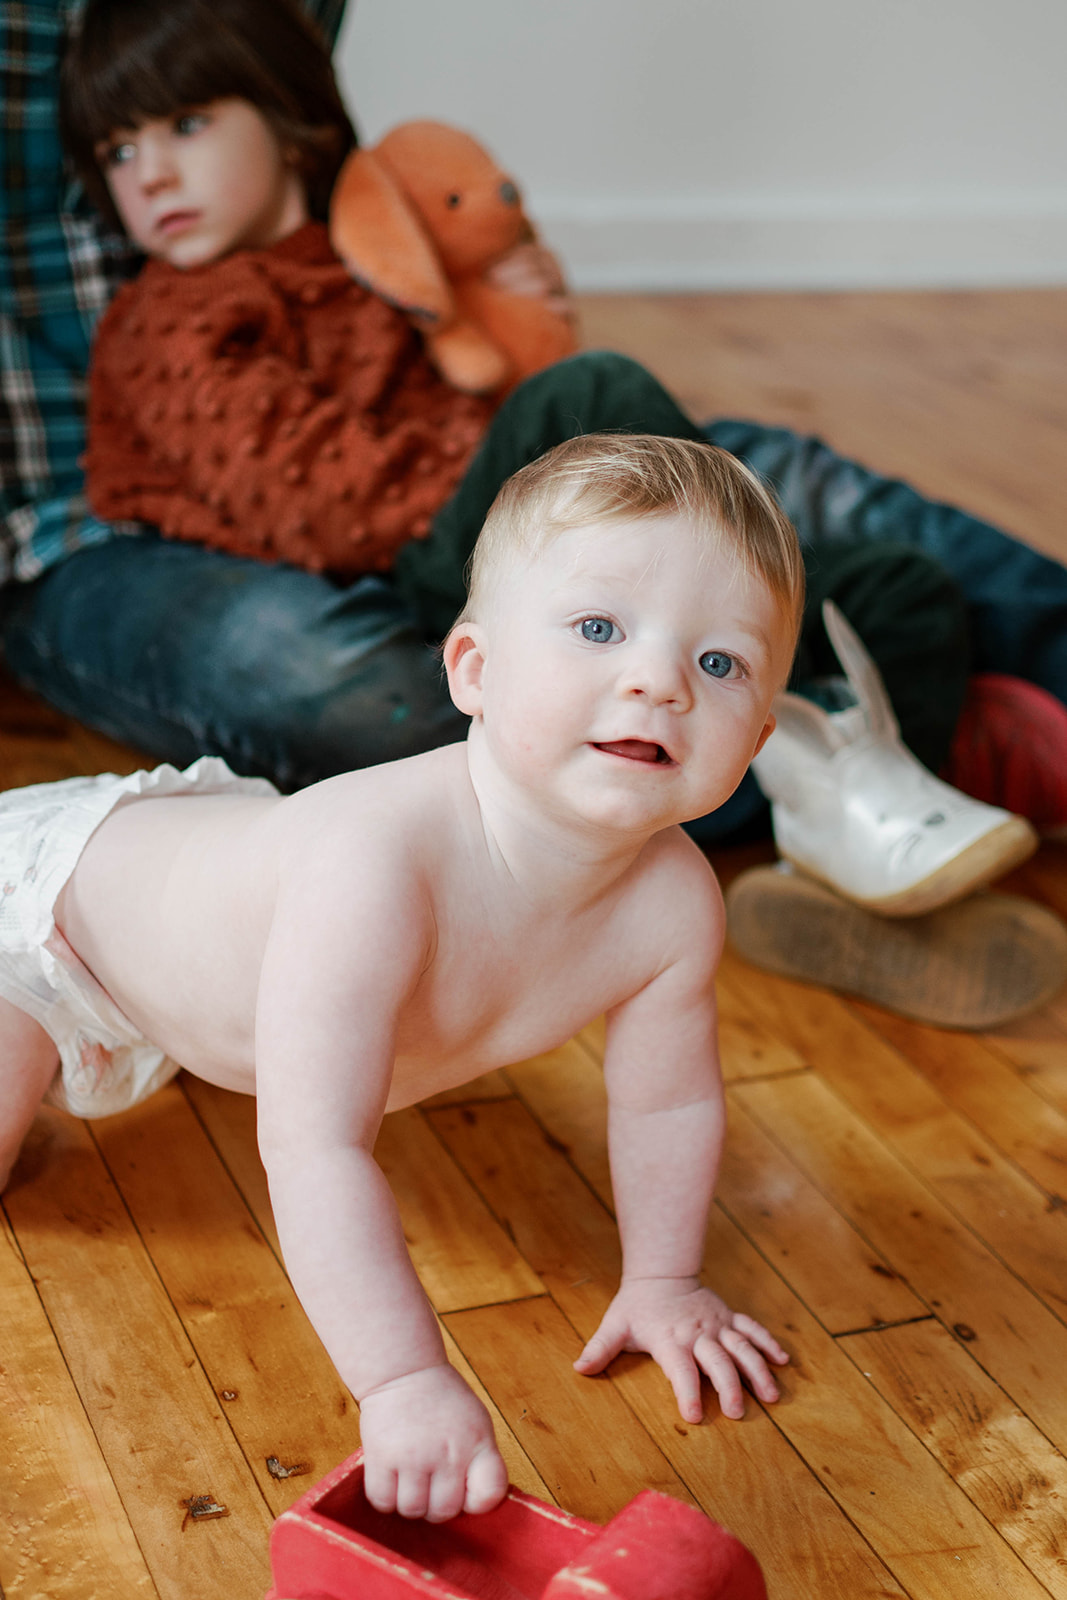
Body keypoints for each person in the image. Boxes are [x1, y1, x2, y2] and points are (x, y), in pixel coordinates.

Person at [4, 0, 1066, 999]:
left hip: (482, 519)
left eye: (185, 124)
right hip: (414, 551)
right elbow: (314, 502)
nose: (148, 176)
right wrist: (535, 486)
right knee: (593, 400)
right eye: (118, 152)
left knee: (887, 580)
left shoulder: (384, 249)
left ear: (290, 121)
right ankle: (795, 725)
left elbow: (493, 326)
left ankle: (848, 775)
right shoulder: (169, 320)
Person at [0, 434, 797, 1522]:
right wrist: (402, 1380)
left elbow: (666, 1099)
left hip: (209, 915)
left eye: (718, 663)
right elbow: (313, 1143)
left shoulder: (670, 903)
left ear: (750, 740)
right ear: (473, 669)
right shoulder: (376, 871)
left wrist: (663, 1279)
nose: (657, 679)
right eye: (598, 628)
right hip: (51, 914)